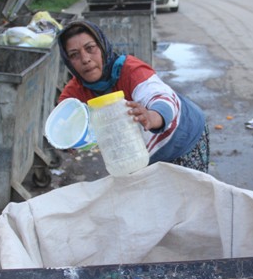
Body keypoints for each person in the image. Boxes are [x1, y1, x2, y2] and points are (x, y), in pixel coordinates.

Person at [56, 20, 210, 173]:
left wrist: (150, 116)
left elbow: (162, 97)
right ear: (68, 62)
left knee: (188, 195)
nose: (85, 59)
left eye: (90, 48)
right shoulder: (75, 92)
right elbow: (62, 123)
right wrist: (67, 140)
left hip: (184, 138)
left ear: (102, 47)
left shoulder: (130, 70)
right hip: (140, 156)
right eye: (74, 55)